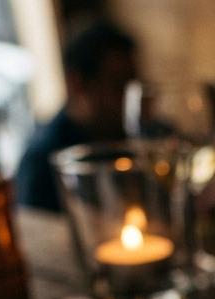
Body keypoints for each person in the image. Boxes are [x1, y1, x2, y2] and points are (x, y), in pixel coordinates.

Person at [15, 21, 137, 212]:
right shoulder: (42, 162)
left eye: (135, 86)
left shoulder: (142, 138)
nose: (130, 99)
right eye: (118, 85)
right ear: (77, 84)